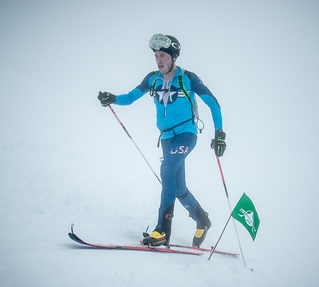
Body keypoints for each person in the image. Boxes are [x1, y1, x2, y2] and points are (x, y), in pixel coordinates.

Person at [97, 34, 226, 248]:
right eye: (156, 55)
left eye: (163, 55)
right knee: (177, 186)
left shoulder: (188, 78)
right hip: (166, 138)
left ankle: (162, 231)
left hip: (186, 134)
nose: (159, 60)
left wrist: (219, 132)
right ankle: (203, 220)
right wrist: (113, 98)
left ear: (173, 57)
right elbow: (130, 97)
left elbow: (213, 103)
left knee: (167, 169)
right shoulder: (152, 79)